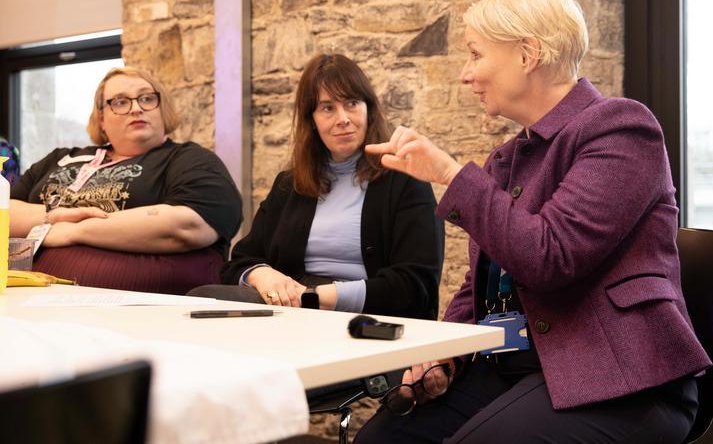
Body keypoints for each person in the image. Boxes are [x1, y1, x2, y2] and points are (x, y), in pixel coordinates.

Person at [356, 0, 710, 443]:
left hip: (620, 381)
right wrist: (445, 354)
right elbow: (478, 286)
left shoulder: (622, 129)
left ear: (527, 54)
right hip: (515, 367)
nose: (466, 74)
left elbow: (550, 256)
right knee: (381, 438)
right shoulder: (507, 157)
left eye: (476, 54)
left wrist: (449, 173)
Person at [191, 54, 443, 319]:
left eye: (352, 103)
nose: (342, 118)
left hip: (367, 320)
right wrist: (262, 276)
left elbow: (416, 285)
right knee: (200, 301)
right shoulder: (289, 186)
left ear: (369, 110)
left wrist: (313, 297)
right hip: (292, 315)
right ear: (311, 120)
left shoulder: (405, 180)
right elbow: (239, 261)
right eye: (327, 108)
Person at [10, 67, 242, 295]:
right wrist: (52, 217)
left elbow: (187, 225)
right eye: (120, 102)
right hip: (24, 301)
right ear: (101, 118)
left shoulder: (190, 160)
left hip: (146, 314)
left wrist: (71, 232)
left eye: (147, 98)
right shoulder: (60, 158)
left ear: (162, 109)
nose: (136, 108)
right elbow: (5, 212)